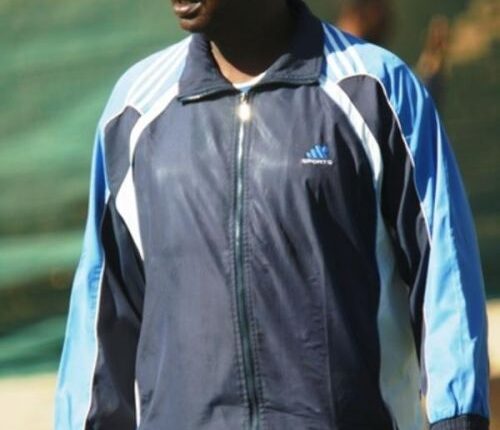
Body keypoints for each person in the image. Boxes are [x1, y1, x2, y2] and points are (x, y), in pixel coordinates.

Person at [54, 0, 489, 429]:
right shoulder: (133, 111)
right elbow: (101, 313)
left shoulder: (377, 89)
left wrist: (458, 418)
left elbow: (444, 275)